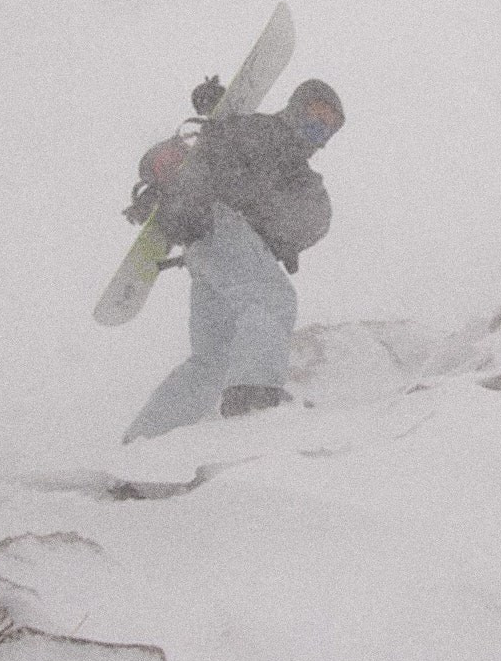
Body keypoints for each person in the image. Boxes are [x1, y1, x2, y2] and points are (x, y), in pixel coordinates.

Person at [121, 78, 345, 443]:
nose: (316, 129)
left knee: (214, 360)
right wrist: (219, 108)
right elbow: (229, 138)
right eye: (314, 116)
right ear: (294, 108)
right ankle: (254, 398)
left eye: (326, 126)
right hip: (223, 229)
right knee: (272, 299)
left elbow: (229, 152)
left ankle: (146, 441)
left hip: (205, 250)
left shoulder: (286, 160)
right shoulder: (271, 133)